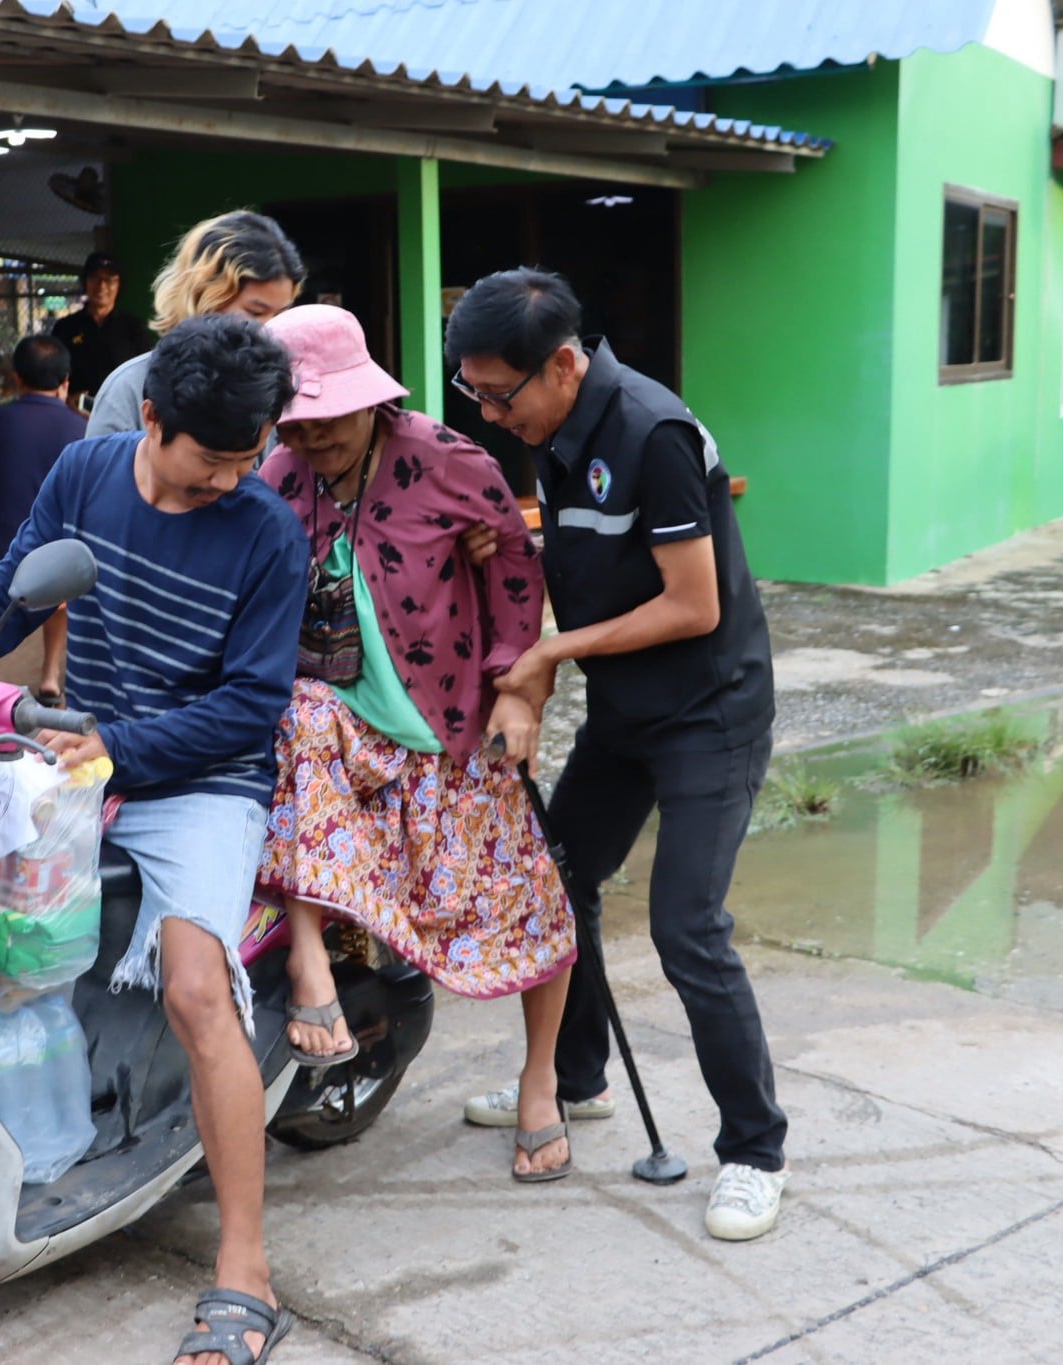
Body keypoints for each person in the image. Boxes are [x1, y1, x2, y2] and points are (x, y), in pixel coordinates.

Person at [0, 316, 306, 1365]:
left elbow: (251, 706)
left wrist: (118, 749)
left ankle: (245, 1267)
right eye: (211, 459)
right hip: (78, 755)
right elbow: (8, 592)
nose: (230, 479)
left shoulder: (267, 533)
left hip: (200, 783)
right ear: (152, 416)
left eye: (247, 459)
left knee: (195, 992)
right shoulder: (86, 473)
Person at [448, 268, 788, 1241]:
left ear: (562, 363)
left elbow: (693, 603)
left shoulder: (652, 432)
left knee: (687, 928)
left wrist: (550, 652)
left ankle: (754, 1152)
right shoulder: (552, 431)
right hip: (626, 712)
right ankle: (577, 1078)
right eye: (475, 395)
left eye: (500, 394)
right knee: (560, 875)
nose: (490, 415)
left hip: (708, 715)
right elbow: (587, 557)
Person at [255, 301, 580, 1182]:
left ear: (370, 401)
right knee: (296, 717)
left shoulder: (446, 459)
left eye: (329, 421)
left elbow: (515, 568)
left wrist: (517, 689)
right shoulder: (279, 476)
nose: (312, 440)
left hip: (453, 727)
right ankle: (311, 962)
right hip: (347, 730)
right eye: (295, 424)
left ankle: (541, 1081)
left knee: (531, 906)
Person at [84, 212, 304, 440]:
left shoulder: (283, 392)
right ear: (202, 296)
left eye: (281, 314)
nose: (271, 330)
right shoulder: (128, 389)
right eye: (255, 313)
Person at [0, 333, 85, 705]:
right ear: (65, 380)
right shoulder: (83, 429)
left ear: (16, 378)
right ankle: (50, 678)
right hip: (59, 556)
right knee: (61, 600)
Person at [51, 250, 153, 409]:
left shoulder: (133, 328)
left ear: (119, 285)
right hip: (75, 414)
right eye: (95, 278)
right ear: (85, 282)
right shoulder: (65, 327)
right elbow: (52, 373)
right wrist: (68, 399)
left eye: (110, 280)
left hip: (122, 413)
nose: (101, 286)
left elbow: (147, 374)